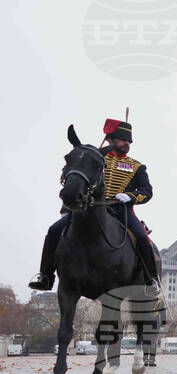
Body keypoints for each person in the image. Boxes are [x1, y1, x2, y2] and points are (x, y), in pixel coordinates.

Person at [29, 118, 157, 291]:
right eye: (123, 139)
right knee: (54, 230)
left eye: (129, 141)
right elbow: (76, 181)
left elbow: (147, 191)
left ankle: (151, 279)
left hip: (121, 209)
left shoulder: (137, 166)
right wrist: (67, 208)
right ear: (110, 139)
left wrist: (130, 196)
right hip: (89, 207)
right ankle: (46, 276)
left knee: (142, 237)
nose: (127, 143)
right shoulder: (93, 157)